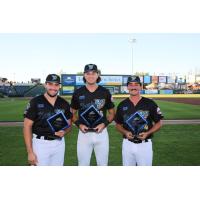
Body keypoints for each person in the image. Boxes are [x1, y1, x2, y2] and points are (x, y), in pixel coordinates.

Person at [70, 64, 115, 166]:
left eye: (93, 73)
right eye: (88, 73)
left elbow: (112, 113)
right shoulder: (78, 92)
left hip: (101, 133)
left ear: (97, 75)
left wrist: (104, 124)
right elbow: (72, 113)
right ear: (84, 75)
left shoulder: (105, 92)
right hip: (84, 134)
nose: (91, 76)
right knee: (83, 164)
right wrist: (79, 125)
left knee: (103, 164)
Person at [23, 74, 72, 166]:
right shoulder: (35, 102)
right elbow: (27, 126)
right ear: (45, 85)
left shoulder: (64, 103)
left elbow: (69, 124)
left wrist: (64, 132)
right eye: (50, 84)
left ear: (59, 86)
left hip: (59, 144)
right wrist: (30, 152)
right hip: (40, 144)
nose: (53, 87)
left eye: (56, 85)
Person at [115, 75, 163, 166]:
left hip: (144, 145)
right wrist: (125, 132)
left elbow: (159, 123)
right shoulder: (122, 104)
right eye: (131, 84)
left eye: (136, 84)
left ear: (140, 86)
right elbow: (118, 124)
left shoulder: (150, 103)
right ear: (127, 87)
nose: (133, 87)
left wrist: (147, 133)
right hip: (127, 144)